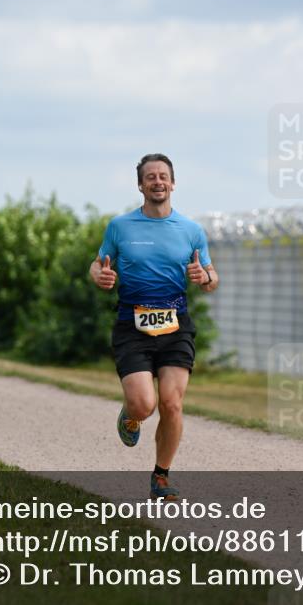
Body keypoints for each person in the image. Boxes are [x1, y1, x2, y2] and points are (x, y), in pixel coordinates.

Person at [90, 153, 218, 500]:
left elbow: (211, 277)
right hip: (132, 324)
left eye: (163, 176)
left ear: (173, 183)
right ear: (141, 185)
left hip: (176, 324)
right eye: (151, 177)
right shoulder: (120, 226)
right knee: (144, 404)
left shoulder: (191, 230)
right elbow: (97, 263)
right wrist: (100, 275)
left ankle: (161, 477)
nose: (158, 181)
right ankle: (131, 416)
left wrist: (204, 276)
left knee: (172, 404)